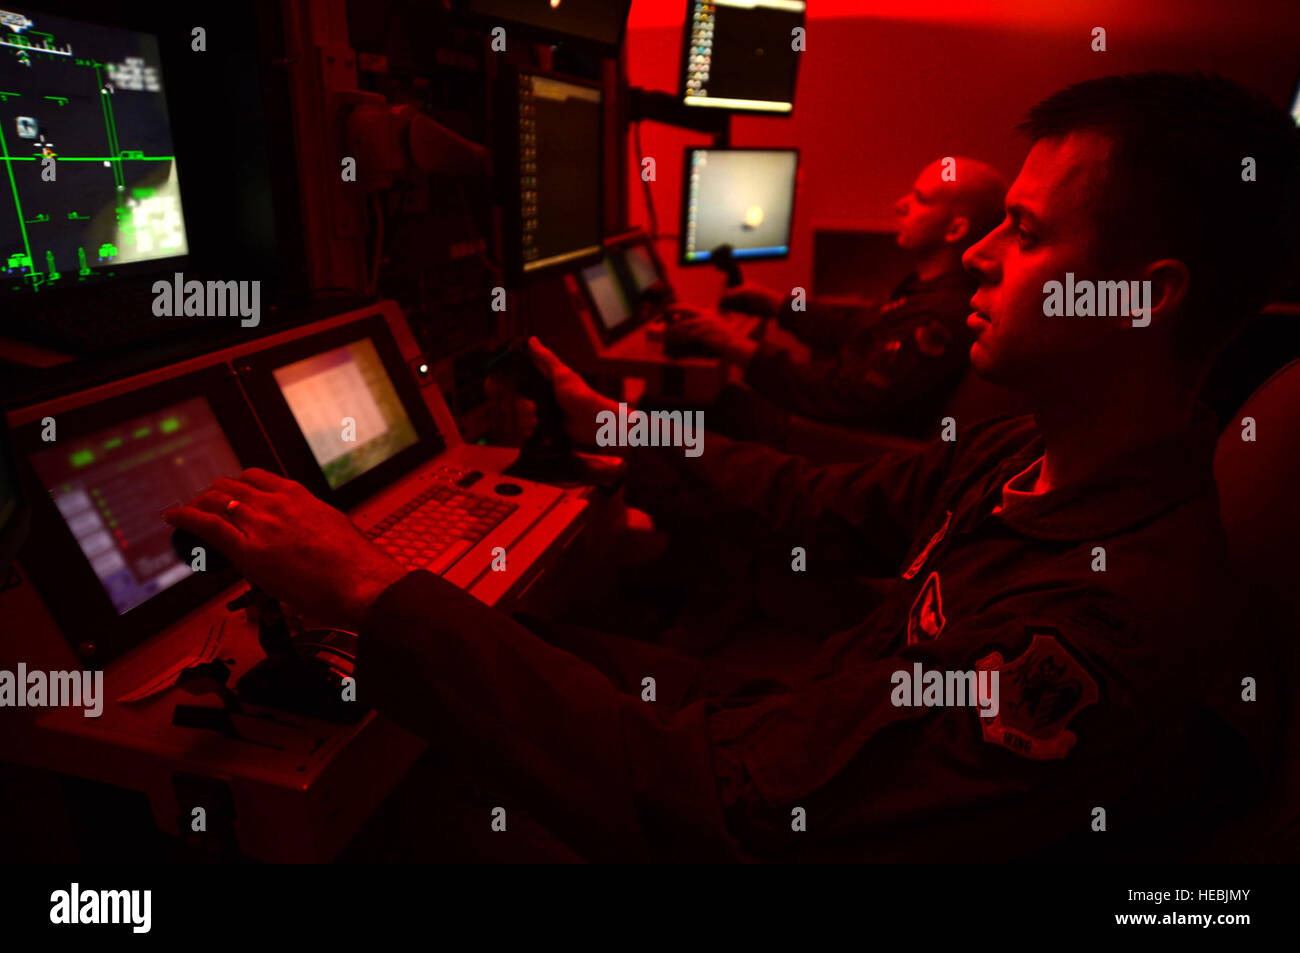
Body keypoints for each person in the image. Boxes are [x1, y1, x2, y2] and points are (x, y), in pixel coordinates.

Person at [165, 72, 1297, 861]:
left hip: (755, 804)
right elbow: (820, 496)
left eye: (1026, 232)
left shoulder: (1089, 632)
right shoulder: (1031, 457)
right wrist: (616, 425)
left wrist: (375, 589)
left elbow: (734, 816)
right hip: (797, 723)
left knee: (418, 774)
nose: (981, 257)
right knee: (522, 644)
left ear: (1141, 297)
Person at [666, 157, 1007, 441]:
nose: (900, 204)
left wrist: (735, 345)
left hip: (837, 448)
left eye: (920, 199)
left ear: (955, 230)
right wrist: (777, 304)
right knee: (696, 403)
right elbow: (859, 329)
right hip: (831, 423)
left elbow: (844, 399)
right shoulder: (927, 290)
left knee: (675, 412)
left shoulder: (940, 317)